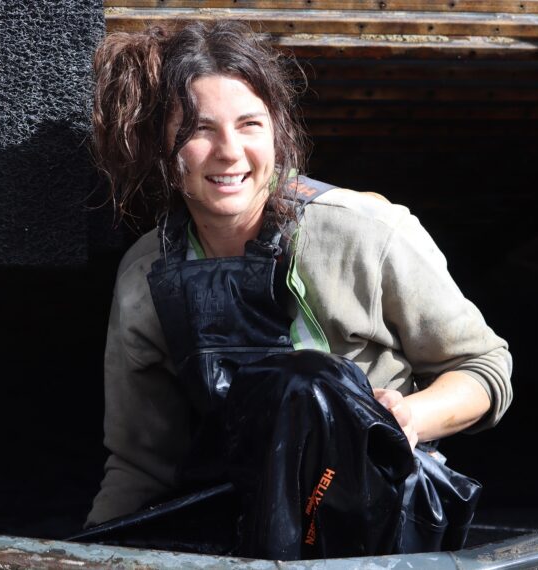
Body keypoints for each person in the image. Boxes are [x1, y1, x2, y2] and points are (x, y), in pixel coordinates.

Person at [84, 21, 513, 559]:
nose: (229, 152)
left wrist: (408, 419)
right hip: (238, 521)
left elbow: (484, 367)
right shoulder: (145, 276)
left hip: (379, 522)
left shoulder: (365, 232)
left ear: (277, 131)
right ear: (160, 145)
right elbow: (139, 466)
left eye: (250, 125)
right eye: (200, 129)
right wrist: (89, 554)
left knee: (306, 380)